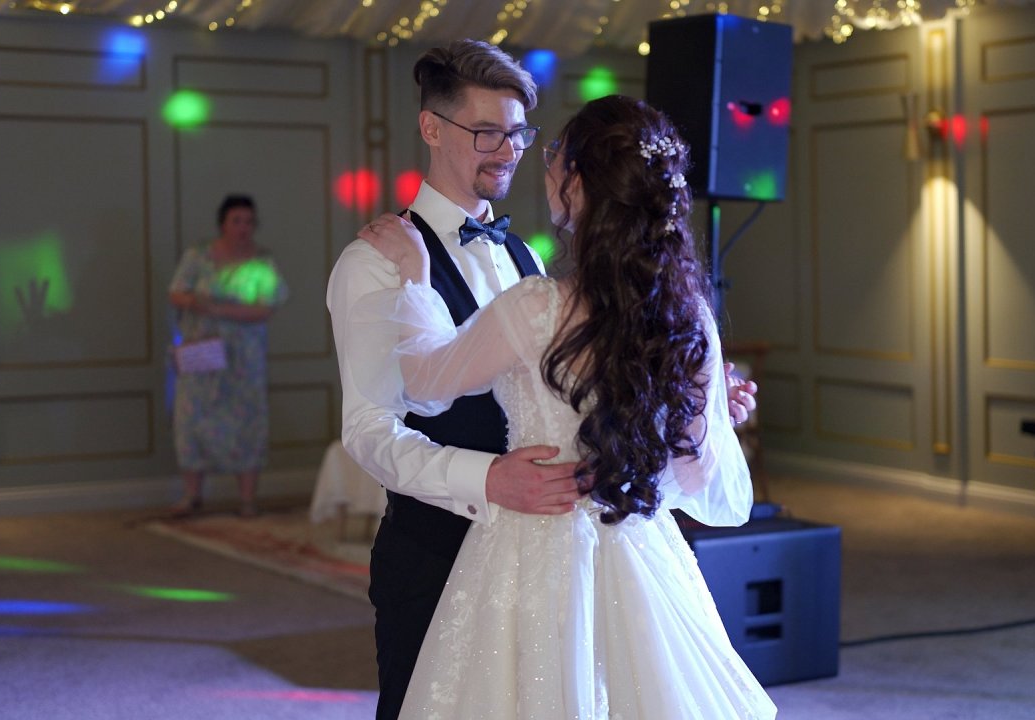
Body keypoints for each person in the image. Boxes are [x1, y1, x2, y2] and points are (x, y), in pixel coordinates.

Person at [354, 95, 776, 719]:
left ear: (577, 185)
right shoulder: (690, 317)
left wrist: (416, 278)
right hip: (641, 548)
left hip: (532, 551)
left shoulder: (538, 307)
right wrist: (688, 424)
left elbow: (423, 382)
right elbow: (696, 477)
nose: (542, 164)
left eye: (553, 154)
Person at [326, 40, 584, 720]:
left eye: (518, 133)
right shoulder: (372, 264)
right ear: (432, 128)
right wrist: (488, 478)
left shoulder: (524, 252)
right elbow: (368, 429)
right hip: (434, 554)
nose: (508, 150)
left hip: (540, 551)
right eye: (487, 133)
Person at [168, 194, 289, 518]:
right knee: (192, 419)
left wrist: (218, 307)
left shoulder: (262, 262)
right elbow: (176, 292)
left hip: (244, 358)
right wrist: (199, 304)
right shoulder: (199, 256)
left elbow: (266, 307)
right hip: (202, 352)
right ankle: (192, 495)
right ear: (223, 223)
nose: (243, 228)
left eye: (249, 221)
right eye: (237, 221)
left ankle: (247, 499)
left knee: (247, 422)